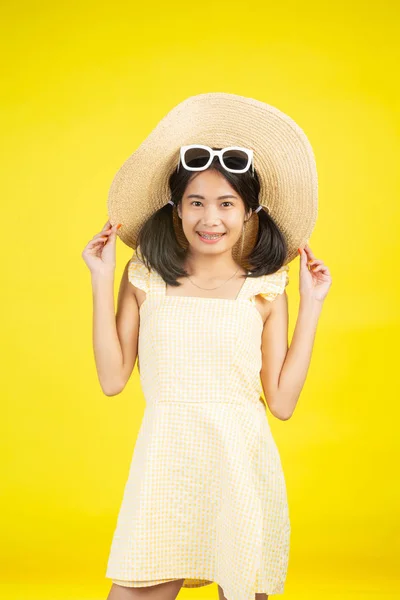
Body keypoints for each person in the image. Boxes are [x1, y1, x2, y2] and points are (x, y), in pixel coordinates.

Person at [81, 93, 332, 600]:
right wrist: (100, 278)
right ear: (176, 209)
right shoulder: (143, 279)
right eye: (196, 202)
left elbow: (281, 403)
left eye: (226, 204)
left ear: (248, 212)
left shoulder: (264, 290)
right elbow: (112, 380)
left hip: (240, 465)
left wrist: (312, 305)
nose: (210, 218)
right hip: (166, 464)